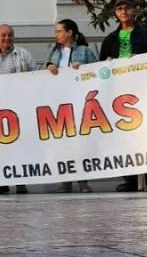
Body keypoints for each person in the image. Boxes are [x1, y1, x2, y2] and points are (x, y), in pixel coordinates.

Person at [99, 0, 147, 192]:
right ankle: (131, 179)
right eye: (119, 8)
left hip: (143, 90)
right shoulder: (110, 39)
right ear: (115, 13)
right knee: (123, 135)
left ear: (134, 10)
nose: (123, 11)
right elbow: (101, 68)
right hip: (120, 94)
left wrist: (141, 60)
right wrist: (108, 62)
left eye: (127, 7)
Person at [0, 25, 35, 194]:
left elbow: (36, 75)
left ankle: (20, 183)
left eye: (10, 35)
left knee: (19, 146)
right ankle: (1, 181)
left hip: (18, 108)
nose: (6, 38)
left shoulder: (23, 55)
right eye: (3, 35)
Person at [45, 20, 96, 193]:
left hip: (79, 102)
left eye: (59, 31)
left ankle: (83, 181)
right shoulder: (53, 52)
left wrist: (83, 68)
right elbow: (43, 72)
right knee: (63, 142)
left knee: (80, 142)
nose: (56, 34)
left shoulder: (85, 51)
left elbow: (96, 70)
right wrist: (49, 66)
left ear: (70, 32)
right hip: (60, 103)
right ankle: (65, 181)